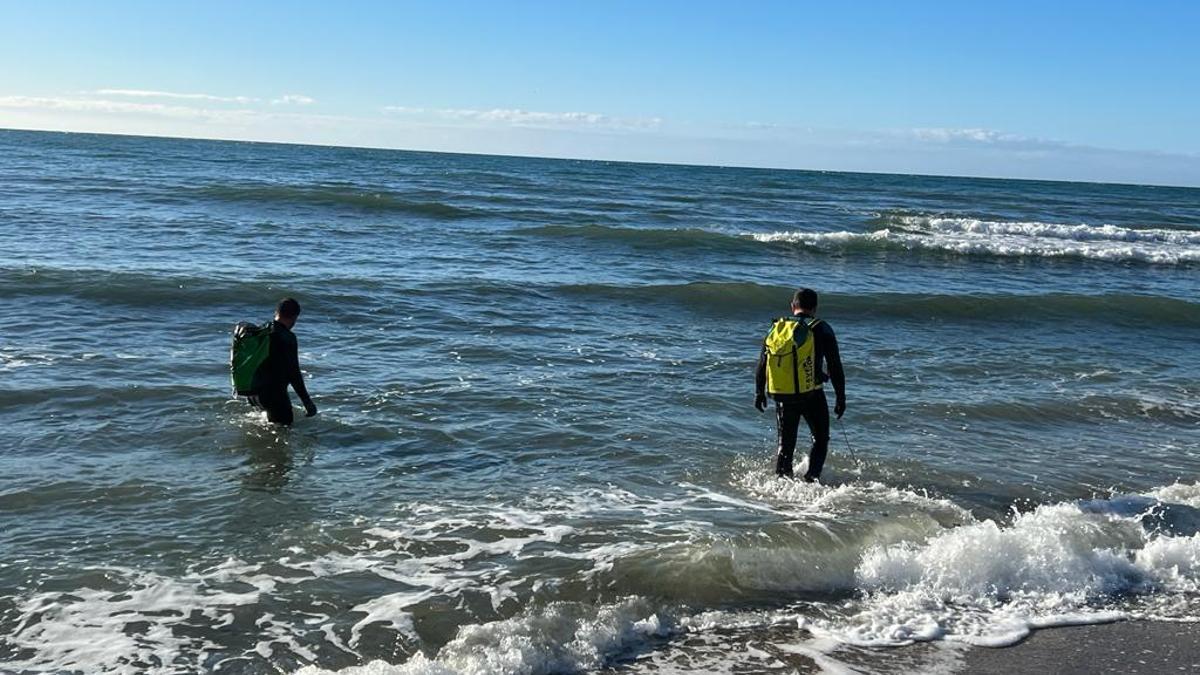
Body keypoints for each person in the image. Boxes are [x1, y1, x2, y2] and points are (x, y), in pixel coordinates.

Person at [754, 288, 845, 481]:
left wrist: (759, 393)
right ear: (815, 308)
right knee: (820, 439)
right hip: (813, 394)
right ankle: (811, 479)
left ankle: (780, 484)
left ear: (792, 306)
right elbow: (835, 365)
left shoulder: (777, 329)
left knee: (785, 444)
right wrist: (840, 397)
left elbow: (762, 362)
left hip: (783, 395)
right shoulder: (821, 328)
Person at [248, 297, 317, 426]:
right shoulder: (287, 337)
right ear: (295, 317)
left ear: (276, 312)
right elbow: (294, 373)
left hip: (254, 393)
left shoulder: (261, 330)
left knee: (264, 427)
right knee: (283, 431)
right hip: (274, 395)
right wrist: (307, 402)